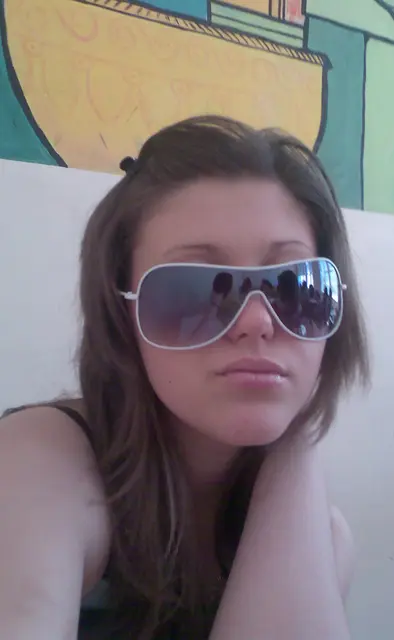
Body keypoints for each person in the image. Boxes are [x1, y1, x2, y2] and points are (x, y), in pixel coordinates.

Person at [0, 115, 370, 640]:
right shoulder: (36, 459)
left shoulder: (327, 537)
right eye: (196, 290)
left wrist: (296, 440)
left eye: (295, 288)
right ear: (122, 315)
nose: (258, 322)